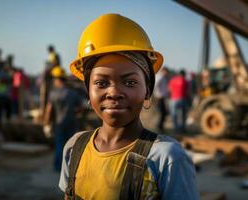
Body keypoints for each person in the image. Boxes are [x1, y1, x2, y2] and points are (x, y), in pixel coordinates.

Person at [59, 14, 199, 199]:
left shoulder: (166, 158)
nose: (114, 92)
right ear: (88, 91)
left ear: (147, 91)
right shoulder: (74, 147)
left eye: (130, 82)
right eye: (101, 83)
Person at [44, 66, 84, 172]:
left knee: (59, 144)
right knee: (70, 146)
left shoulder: (53, 94)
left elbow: (49, 110)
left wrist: (46, 124)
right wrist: (74, 112)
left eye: (54, 79)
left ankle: (58, 167)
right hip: (71, 122)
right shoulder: (73, 93)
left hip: (59, 123)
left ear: (57, 79)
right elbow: (80, 108)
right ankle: (68, 168)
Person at [153, 67, 170, 132]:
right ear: (163, 71)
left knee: (164, 112)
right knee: (162, 112)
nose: (167, 74)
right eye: (166, 72)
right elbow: (155, 85)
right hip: (159, 97)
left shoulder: (163, 78)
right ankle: (159, 127)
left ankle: (160, 126)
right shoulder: (160, 77)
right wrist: (158, 93)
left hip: (162, 97)